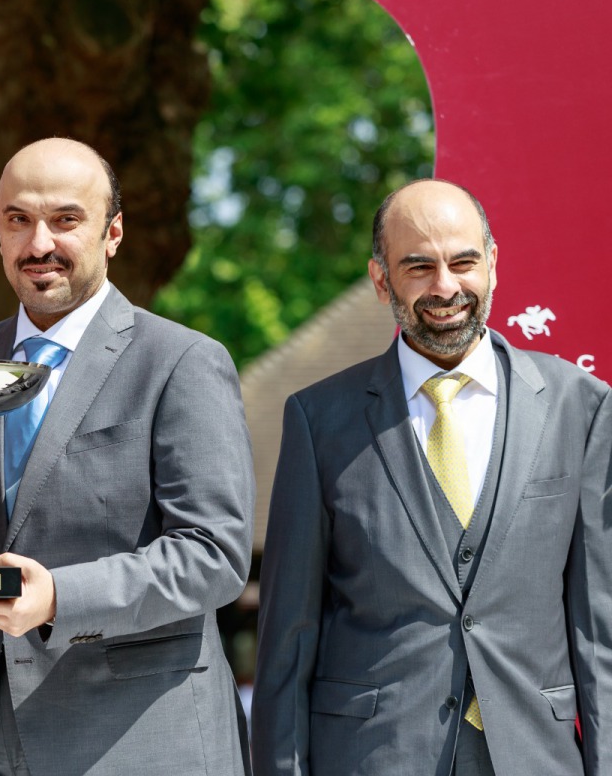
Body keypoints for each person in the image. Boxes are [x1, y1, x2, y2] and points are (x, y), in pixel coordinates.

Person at [0, 138, 255, 775]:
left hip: (130, 743)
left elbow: (214, 554)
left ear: (112, 232)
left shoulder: (181, 362)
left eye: (66, 220)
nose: (39, 244)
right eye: (18, 220)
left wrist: (59, 597)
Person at [252, 179, 612, 775]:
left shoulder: (582, 407)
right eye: (417, 266)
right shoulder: (319, 420)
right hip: (372, 758)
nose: (445, 287)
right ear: (380, 279)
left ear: (492, 265)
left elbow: (600, 630)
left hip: (535, 757)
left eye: (463, 262)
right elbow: (286, 641)